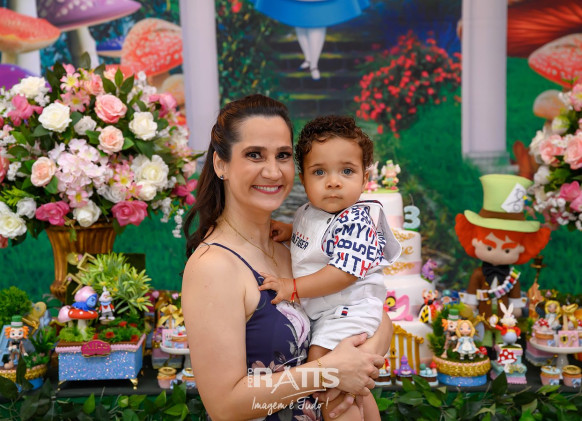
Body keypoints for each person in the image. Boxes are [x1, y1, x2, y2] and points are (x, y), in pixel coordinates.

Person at [182, 95, 392, 421]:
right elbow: (224, 406)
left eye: (282, 155)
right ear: (221, 164)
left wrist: (360, 360)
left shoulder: (292, 248)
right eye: (254, 154)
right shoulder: (214, 267)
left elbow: (372, 312)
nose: (272, 171)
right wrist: (329, 371)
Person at [259, 115, 401, 421]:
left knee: (323, 369)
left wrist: (292, 287)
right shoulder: (309, 211)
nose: (333, 181)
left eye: (347, 171)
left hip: (351, 309)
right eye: (319, 172)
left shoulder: (357, 221)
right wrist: (289, 230)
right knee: (351, 386)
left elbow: (343, 273)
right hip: (331, 311)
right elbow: (317, 238)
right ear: (303, 179)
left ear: (365, 179)